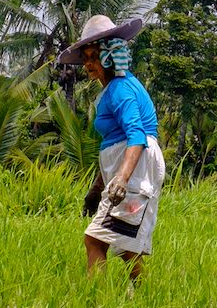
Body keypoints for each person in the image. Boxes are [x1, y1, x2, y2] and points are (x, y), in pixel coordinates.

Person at [57, 15, 165, 282]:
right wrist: (99, 187)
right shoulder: (112, 89)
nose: (89, 65)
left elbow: (136, 136)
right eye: (86, 58)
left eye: (94, 57)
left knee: (94, 240)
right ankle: (145, 297)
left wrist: (121, 179)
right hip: (129, 168)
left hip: (136, 169)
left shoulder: (121, 89)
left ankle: (97, 303)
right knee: (124, 245)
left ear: (110, 55)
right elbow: (113, 147)